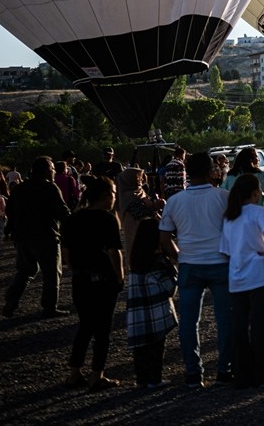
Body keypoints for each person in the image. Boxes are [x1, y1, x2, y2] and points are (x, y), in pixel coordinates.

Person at [159, 152, 233, 387]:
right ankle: (224, 371)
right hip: (219, 263)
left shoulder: (175, 201)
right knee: (224, 319)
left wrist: (180, 256)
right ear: (211, 171)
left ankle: (193, 373)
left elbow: (164, 237)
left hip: (189, 264)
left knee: (189, 322)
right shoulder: (223, 197)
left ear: (187, 173)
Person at [62, 175, 124, 391]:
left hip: (80, 279)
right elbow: (114, 252)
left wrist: (75, 269)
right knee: (103, 330)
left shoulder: (73, 218)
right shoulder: (108, 219)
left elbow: (67, 251)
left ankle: (74, 373)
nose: (115, 198)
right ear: (107, 195)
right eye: (114, 194)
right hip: (103, 279)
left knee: (85, 326)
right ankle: (97, 375)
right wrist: (120, 276)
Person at [220, 174, 264, 389]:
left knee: (239, 326)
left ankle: (241, 371)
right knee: (261, 324)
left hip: (236, 276)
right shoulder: (259, 211)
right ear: (255, 193)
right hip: (259, 274)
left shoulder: (229, 217)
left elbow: (226, 250)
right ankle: (260, 369)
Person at [3, 156, 71, 318]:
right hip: (46, 237)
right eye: (53, 169)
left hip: (22, 238)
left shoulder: (19, 189)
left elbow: (9, 212)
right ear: (47, 171)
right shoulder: (50, 188)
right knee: (51, 274)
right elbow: (63, 213)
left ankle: (11, 300)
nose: (54, 171)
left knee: (25, 271)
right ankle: (49, 307)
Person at [126, 218, 178, 389]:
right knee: (156, 349)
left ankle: (141, 379)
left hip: (137, 313)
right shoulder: (159, 261)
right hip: (156, 312)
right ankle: (155, 379)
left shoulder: (136, 260)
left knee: (140, 349)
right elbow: (170, 288)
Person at [117, 167, 163, 269]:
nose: (142, 180)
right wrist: (156, 206)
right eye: (139, 177)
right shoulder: (130, 197)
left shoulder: (138, 192)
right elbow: (141, 215)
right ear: (131, 179)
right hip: (139, 234)